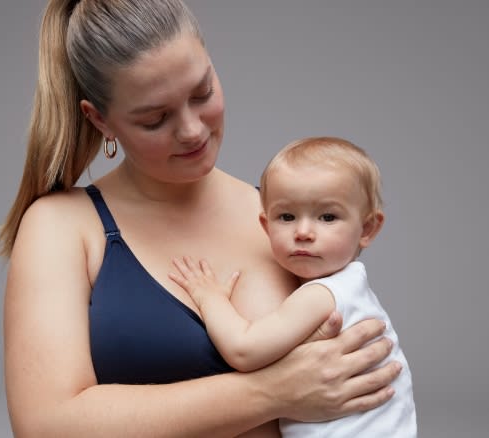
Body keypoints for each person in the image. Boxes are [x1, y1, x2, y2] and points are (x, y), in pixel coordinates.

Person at [0, 1, 402, 436]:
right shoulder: (62, 227)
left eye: (202, 93)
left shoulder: (286, 223)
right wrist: (272, 391)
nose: (192, 130)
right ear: (100, 119)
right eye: (155, 119)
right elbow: (45, 426)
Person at [170, 137, 417, 436]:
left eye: (328, 217)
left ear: (367, 229)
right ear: (266, 226)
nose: (303, 232)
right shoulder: (352, 286)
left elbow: (244, 350)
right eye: (286, 217)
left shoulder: (322, 295)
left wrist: (209, 297)